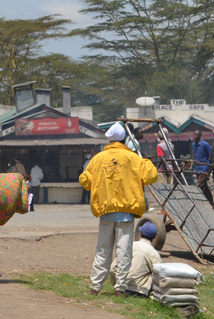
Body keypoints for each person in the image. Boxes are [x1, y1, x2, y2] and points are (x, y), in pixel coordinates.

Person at [79, 122, 158, 296]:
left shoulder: (98, 158)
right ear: (125, 139)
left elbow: (85, 181)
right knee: (124, 251)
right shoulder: (134, 158)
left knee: (103, 249)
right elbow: (151, 176)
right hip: (126, 213)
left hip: (106, 211)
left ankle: (95, 286)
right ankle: (119, 288)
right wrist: (146, 161)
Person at [109, 222, 162, 297]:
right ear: (154, 237)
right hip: (140, 291)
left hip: (122, 287)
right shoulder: (154, 254)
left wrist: (116, 284)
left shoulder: (129, 246)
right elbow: (159, 275)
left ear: (140, 233)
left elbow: (112, 268)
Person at [192, 131, 213, 206]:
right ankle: (211, 202)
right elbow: (195, 157)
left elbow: (211, 156)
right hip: (198, 169)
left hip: (204, 168)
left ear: (200, 136)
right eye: (194, 135)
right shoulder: (193, 145)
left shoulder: (205, 145)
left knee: (199, 186)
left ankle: (199, 204)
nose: (195, 136)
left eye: (196, 135)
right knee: (205, 187)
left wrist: (209, 170)